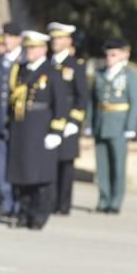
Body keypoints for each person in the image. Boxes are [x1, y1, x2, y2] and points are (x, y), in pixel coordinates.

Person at [6, 30, 67, 229]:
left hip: (41, 127)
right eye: (27, 47)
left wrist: (56, 131)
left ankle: (39, 215)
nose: (29, 51)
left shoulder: (52, 71)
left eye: (33, 47)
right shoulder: (21, 70)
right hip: (22, 127)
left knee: (40, 176)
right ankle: (23, 212)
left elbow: (61, 104)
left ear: (43, 49)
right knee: (22, 174)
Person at [88, 38, 137, 214]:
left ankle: (115, 201)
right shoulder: (100, 73)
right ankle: (103, 199)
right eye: (107, 54)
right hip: (101, 122)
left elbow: (135, 102)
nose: (109, 58)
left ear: (124, 55)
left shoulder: (130, 75)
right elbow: (92, 102)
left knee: (118, 165)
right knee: (102, 164)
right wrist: (89, 123)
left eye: (114, 54)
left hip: (119, 125)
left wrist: (130, 126)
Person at [48, 21, 88, 215]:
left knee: (65, 163)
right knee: (48, 162)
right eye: (53, 38)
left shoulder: (75, 65)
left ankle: (63, 204)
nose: (55, 41)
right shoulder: (48, 63)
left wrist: (74, 121)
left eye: (59, 38)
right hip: (49, 120)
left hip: (67, 122)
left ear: (68, 40)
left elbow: (82, 97)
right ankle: (50, 200)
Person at [0, 25, 22, 217]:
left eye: (10, 37)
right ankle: (6, 200)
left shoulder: (23, 61)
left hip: (16, 120)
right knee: (1, 162)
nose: (6, 41)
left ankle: (17, 202)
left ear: (18, 39)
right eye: (5, 37)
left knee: (16, 163)